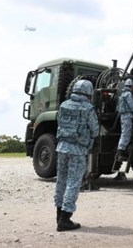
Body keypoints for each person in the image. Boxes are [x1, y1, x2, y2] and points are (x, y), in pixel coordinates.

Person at [54, 79, 99, 232]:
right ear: (89, 92)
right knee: (73, 182)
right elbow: (95, 130)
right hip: (78, 150)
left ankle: (59, 215)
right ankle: (65, 219)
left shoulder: (63, 105)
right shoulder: (88, 108)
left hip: (61, 147)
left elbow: (59, 122)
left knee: (61, 181)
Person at [116, 77, 133, 161]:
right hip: (127, 116)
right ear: (131, 86)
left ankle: (120, 152)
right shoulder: (128, 95)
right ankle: (120, 153)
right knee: (126, 134)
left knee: (124, 134)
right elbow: (132, 106)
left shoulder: (123, 94)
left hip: (123, 116)